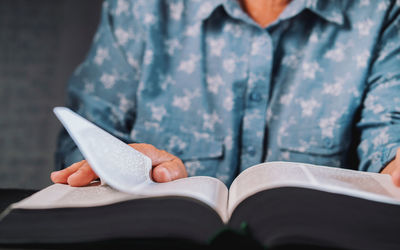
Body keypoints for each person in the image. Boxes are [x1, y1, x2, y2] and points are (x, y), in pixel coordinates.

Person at [51, 0, 400, 187]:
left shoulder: (382, 11)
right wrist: (124, 164)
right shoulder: (142, 8)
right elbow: (83, 138)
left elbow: (388, 132)